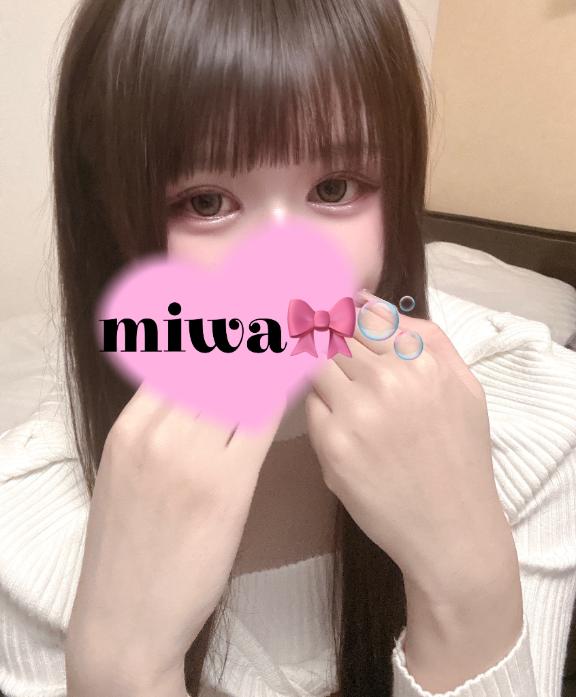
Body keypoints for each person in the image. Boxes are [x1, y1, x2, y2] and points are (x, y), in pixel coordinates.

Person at [1, 1, 575, 696]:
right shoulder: (26, 527)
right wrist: (121, 665)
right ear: (110, 220)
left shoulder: (536, 415)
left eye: (334, 188)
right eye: (206, 202)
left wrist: (467, 589)